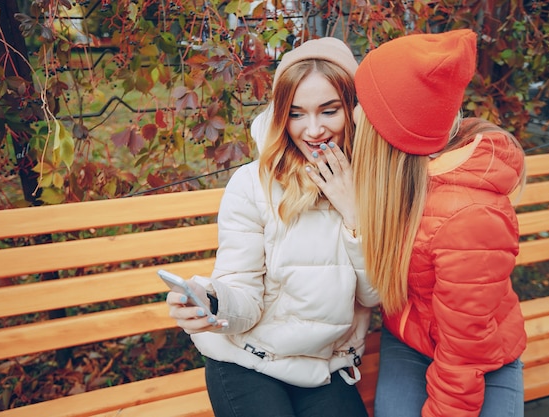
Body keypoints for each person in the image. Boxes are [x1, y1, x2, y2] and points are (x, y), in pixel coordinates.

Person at [166, 37, 379, 417]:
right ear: (282, 116)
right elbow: (243, 293)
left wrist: (352, 212)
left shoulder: (375, 183)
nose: (313, 130)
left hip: (324, 366)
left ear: (353, 111)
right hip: (247, 360)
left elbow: (374, 295)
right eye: (297, 114)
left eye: (329, 111)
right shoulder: (253, 184)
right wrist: (212, 302)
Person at [351, 29, 527, 417]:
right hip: (411, 339)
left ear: (392, 132)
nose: (353, 115)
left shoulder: (468, 218)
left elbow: (465, 355)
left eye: (362, 105)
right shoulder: (395, 177)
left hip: (479, 356)